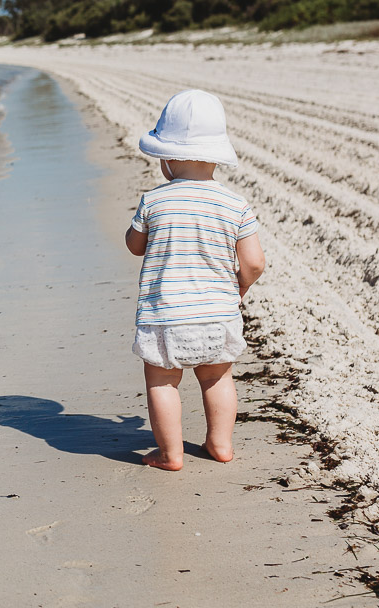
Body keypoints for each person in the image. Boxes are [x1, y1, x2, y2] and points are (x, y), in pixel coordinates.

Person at [124, 89, 265, 471]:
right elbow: (253, 263)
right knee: (217, 378)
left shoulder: (154, 201)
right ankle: (220, 444)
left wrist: (147, 229)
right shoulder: (236, 204)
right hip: (218, 312)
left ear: (166, 158)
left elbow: (135, 246)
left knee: (163, 381)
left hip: (166, 315)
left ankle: (170, 454)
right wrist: (239, 287)